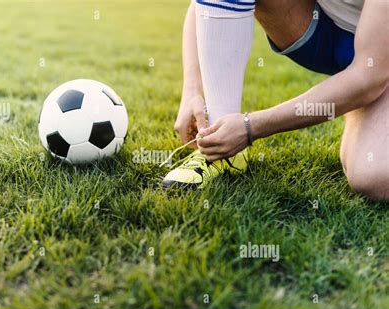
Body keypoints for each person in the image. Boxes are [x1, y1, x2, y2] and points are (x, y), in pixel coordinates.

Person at [163, 0, 388, 201]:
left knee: (373, 174)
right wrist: (192, 89)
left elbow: (368, 76)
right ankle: (221, 146)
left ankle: (359, 98)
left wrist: (250, 126)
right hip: (331, 34)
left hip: (374, 57)